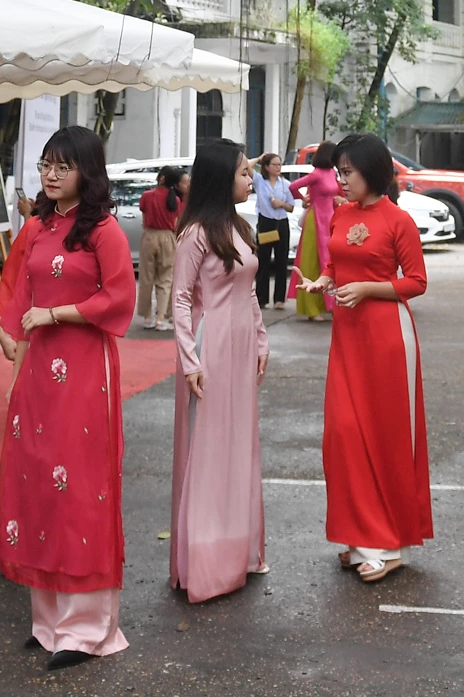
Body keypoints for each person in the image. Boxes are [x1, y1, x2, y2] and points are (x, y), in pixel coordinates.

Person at [0, 126, 138, 669]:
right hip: (37, 370)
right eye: (45, 165)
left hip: (84, 368)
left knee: (79, 486)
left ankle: (87, 629)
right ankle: (49, 622)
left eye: (63, 166)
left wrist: (56, 314)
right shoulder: (36, 227)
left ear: (88, 171)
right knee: (39, 482)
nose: (51, 175)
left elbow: (119, 295)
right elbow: (18, 286)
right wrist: (9, 329)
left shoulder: (102, 230)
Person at [299, 132, 430, 582]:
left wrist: (368, 289)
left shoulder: (399, 220)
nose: (340, 180)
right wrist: (324, 281)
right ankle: (359, 536)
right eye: (339, 172)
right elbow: (337, 263)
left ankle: (390, 545)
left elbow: (416, 281)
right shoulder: (341, 213)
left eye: (348, 172)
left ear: (372, 171)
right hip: (348, 337)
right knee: (344, 435)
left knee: (386, 437)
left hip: (388, 337)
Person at [169, 140, 270, 602]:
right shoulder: (196, 233)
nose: (251, 179)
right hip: (211, 345)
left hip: (242, 343)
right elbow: (182, 298)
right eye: (244, 172)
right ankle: (207, 559)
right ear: (219, 179)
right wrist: (190, 359)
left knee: (239, 443)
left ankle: (239, 548)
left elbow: (248, 291)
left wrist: (262, 336)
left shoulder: (238, 227)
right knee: (210, 448)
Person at [289, 144, 341, 322]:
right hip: (316, 219)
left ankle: (329, 305)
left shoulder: (333, 173)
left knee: (329, 263)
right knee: (312, 262)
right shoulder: (317, 173)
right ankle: (311, 308)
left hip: (331, 219)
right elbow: (293, 186)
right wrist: (303, 198)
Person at [137, 167, 185, 332]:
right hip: (168, 237)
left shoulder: (147, 196)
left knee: (146, 278)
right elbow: (176, 224)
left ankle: (147, 317)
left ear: (162, 178)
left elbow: (144, 220)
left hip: (150, 236)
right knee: (165, 280)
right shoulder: (175, 201)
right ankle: (160, 318)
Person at [250, 152, 294, 310]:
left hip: (281, 222)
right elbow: (247, 166)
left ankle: (279, 299)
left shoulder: (285, 184)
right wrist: (259, 158)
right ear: (267, 167)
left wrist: (281, 203)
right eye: (274, 164)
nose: (278, 168)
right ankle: (262, 297)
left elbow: (291, 207)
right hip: (266, 222)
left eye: (279, 164)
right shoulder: (260, 181)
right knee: (264, 260)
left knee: (282, 260)